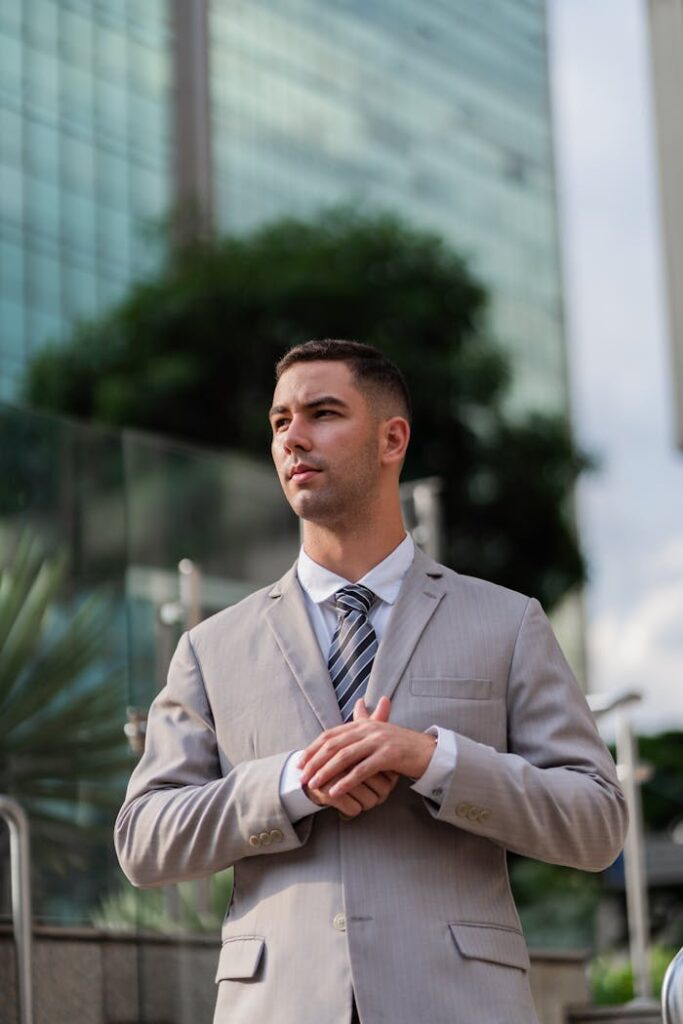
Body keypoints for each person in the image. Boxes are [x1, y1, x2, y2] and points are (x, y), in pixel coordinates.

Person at [115, 339, 628, 1024]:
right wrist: (292, 783)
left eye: (322, 413)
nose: (293, 438)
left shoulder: (508, 623)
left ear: (391, 440)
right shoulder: (211, 647)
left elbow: (595, 823)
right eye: (278, 422)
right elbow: (144, 839)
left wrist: (434, 760)